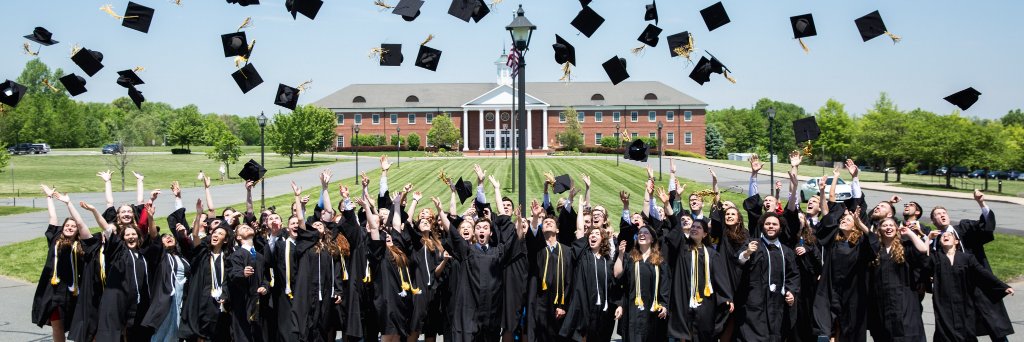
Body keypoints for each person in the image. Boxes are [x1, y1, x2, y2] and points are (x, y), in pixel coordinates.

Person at [446, 182, 528, 342]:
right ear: (475, 231)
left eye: (485, 228)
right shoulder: (467, 250)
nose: (481, 230)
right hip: (469, 306)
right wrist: (443, 210)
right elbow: (452, 229)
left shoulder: (497, 251)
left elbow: (514, 239)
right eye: (479, 227)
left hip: (491, 308)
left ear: (491, 233)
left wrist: (518, 221)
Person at [929, 189, 1013, 341]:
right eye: (937, 214)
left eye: (944, 212)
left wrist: (981, 203)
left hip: (977, 285)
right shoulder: (935, 242)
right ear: (933, 222)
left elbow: (986, 227)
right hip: (954, 291)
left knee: (993, 323)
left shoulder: (964, 228)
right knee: (961, 328)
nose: (942, 215)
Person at [907, 227, 1015, 341]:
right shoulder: (936, 257)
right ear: (939, 243)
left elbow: (982, 273)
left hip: (965, 300)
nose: (946, 236)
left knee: (966, 331)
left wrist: (1003, 286)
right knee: (944, 332)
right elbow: (924, 262)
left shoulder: (967, 258)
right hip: (943, 302)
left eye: (950, 235)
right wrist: (928, 239)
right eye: (943, 236)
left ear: (956, 241)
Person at [812, 166, 877, 342]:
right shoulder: (836, 238)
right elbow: (827, 214)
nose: (843, 220)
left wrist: (855, 178)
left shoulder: (861, 243)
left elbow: (874, 244)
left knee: (850, 329)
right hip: (830, 288)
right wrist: (823, 190)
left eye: (847, 219)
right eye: (842, 219)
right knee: (824, 326)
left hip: (853, 292)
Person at [662, 186, 732, 342]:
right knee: (684, 336)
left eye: (698, 227)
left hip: (706, 302)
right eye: (692, 227)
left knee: (704, 335)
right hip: (684, 300)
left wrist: (727, 298)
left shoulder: (712, 254)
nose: (694, 229)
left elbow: (720, 278)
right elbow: (676, 224)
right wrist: (668, 204)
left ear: (705, 233)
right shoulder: (683, 248)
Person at [87, 198, 159, 341]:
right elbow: (107, 228)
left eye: (134, 234)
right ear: (123, 238)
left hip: (139, 303)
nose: (131, 236)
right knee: (117, 333)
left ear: (138, 237)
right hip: (118, 300)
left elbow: (154, 236)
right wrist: (94, 210)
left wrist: (150, 217)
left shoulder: (143, 254)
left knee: (135, 334)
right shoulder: (118, 251)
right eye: (127, 235)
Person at [32, 186, 93, 342]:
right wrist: (49, 198)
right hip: (54, 291)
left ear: (77, 230)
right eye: (67, 226)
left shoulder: (82, 244)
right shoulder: (55, 239)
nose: (69, 227)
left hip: (75, 291)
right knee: (57, 325)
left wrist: (68, 204)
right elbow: (53, 219)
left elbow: (80, 224)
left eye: (73, 227)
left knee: (80, 325)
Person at [735, 210, 800, 342]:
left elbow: (793, 275)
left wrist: (791, 292)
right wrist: (747, 253)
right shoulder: (753, 244)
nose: (771, 226)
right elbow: (739, 260)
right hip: (755, 304)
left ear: (780, 228)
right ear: (762, 226)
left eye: (774, 224)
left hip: (778, 305)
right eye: (768, 224)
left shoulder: (786, 251)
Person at [560, 203, 616, 342]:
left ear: (603, 239)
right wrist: (580, 207)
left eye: (597, 234)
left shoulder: (606, 261)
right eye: (591, 234)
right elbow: (580, 229)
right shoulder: (582, 255)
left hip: (601, 308)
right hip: (583, 305)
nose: (593, 235)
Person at [142, 195, 194, 342]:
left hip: (183, 297)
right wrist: (151, 218)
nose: (168, 238)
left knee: (177, 331)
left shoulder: (183, 257)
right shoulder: (160, 257)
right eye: (164, 238)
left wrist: (178, 198)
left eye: (170, 236)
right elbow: (154, 237)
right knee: (163, 331)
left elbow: (183, 232)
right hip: (166, 298)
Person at [867, 217, 926, 341]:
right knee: (884, 334)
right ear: (879, 230)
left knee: (906, 332)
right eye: (885, 226)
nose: (888, 228)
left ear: (896, 228)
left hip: (904, 298)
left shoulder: (905, 246)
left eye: (891, 225)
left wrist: (910, 233)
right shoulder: (876, 250)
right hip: (881, 300)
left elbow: (923, 249)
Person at [612, 212, 669, 342]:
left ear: (653, 239)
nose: (642, 234)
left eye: (646, 232)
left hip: (652, 309)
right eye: (640, 233)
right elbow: (617, 275)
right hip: (631, 309)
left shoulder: (660, 261)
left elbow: (665, 285)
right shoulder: (630, 257)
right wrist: (620, 254)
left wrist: (664, 304)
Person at [227, 224, 270, 342]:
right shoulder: (236, 255)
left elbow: (266, 277)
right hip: (243, 304)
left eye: (248, 227)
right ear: (239, 237)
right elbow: (231, 274)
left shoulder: (260, 257)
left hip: (258, 304)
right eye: (243, 228)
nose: (247, 228)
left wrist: (264, 287)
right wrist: (242, 273)